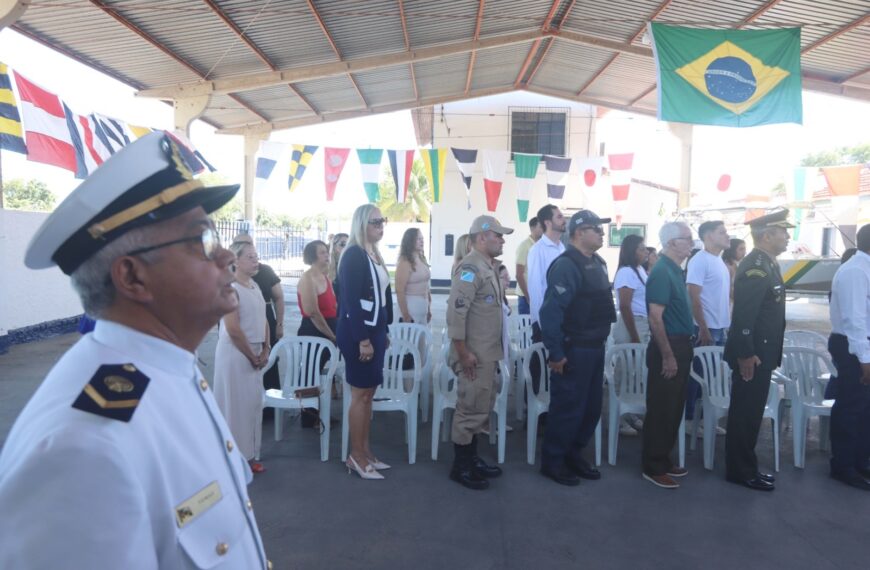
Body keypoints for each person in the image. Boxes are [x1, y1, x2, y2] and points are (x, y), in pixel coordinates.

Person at [0, 132, 268, 567]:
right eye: (202, 240)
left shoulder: (170, 371)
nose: (225, 257)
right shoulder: (86, 448)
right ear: (132, 277)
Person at [539, 210, 616, 486]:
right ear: (579, 233)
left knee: (591, 408)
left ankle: (573, 454)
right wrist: (556, 353)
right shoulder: (566, 265)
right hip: (574, 350)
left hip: (595, 347)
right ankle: (553, 461)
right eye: (596, 229)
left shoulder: (599, 262)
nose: (602, 233)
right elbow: (550, 313)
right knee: (568, 407)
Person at [724, 209, 793, 491]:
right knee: (745, 414)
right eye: (783, 232)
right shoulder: (756, 266)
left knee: (751, 414)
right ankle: (740, 471)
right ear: (767, 236)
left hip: (761, 353)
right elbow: (744, 316)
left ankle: (747, 466)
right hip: (752, 355)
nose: (787, 237)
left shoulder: (768, 264)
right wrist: (745, 354)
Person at [446, 215, 513, 490]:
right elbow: (456, 314)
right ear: (482, 237)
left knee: (480, 408)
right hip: (473, 355)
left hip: (487, 353)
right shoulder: (470, 267)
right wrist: (463, 353)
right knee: (469, 409)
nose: (502, 240)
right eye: (498, 235)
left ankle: (472, 459)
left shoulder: (487, 266)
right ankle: (461, 467)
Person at [336, 205, 393, 480]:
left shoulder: (374, 254)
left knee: (369, 394)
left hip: (375, 332)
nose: (381, 225)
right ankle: (355, 456)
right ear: (361, 224)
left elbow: (382, 297)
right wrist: (363, 339)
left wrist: (385, 330)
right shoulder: (353, 255)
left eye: (383, 221)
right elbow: (350, 302)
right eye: (375, 221)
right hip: (358, 334)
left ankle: (365, 451)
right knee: (360, 395)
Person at [642, 221, 695, 489]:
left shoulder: (674, 270)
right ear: (672, 242)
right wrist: (668, 355)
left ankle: (662, 458)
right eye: (687, 238)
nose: (692, 243)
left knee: (673, 408)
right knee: (662, 409)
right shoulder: (662, 271)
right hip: (670, 346)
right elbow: (655, 318)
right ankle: (652, 466)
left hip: (681, 345)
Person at [214, 240, 270, 474]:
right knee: (235, 408)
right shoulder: (230, 288)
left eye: (256, 256)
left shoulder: (254, 285)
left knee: (252, 407)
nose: (256, 260)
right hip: (236, 353)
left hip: (254, 351)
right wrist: (251, 355)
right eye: (250, 257)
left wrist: (266, 348)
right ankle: (233, 459)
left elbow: (264, 319)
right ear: (235, 261)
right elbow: (233, 329)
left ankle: (250, 455)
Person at [828, 224, 870, 490]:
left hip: (861, 345)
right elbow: (854, 319)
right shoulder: (856, 270)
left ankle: (860, 460)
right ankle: (843, 466)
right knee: (851, 406)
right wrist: (865, 359)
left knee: (865, 409)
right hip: (853, 347)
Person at [685, 220, 732, 432]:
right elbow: (693, 296)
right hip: (705, 328)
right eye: (722, 232)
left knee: (712, 377)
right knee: (697, 376)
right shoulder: (700, 260)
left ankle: (704, 420)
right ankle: (689, 420)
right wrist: (703, 327)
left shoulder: (719, 261)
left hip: (719, 328)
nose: (727, 235)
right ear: (708, 236)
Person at [233, 233, 285, 391]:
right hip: (238, 334)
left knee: (269, 366)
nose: (253, 257)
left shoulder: (261, 276)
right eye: (242, 245)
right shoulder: (227, 279)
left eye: (250, 245)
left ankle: (271, 398)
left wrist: (278, 325)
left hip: (265, 320)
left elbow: (278, 297)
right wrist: (251, 355)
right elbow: (232, 327)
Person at [612, 234, 650, 436]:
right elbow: (625, 305)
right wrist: (634, 335)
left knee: (635, 372)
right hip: (632, 324)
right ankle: (617, 418)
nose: (646, 252)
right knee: (624, 371)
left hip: (641, 324)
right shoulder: (626, 272)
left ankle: (629, 413)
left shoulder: (639, 270)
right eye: (642, 248)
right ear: (631, 251)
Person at [527, 204, 566, 339]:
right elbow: (535, 290)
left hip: (562, 319)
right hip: (545, 322)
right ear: (548, 222)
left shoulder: (562, 248)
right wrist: (543, 324)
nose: (564, 220)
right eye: (559, 217)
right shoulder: (537, 250)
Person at [297, 240, 337, 342]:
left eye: (327, 252)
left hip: (330, 327)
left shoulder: (325, 276)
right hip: (314, 332)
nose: (327, 255)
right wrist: (332, 336)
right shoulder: (308, 278)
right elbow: (312, 312)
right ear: (312, 256)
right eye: (322, 253)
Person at [395, 227, 431, 325]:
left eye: (422, 238)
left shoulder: (422, 258)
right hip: (410, 310)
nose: (422, 241)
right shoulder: (405, 261)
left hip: (423, 310)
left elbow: (427, 287)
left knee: (423, 336)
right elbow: (399, 290)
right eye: (418, 239)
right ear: (410, 241)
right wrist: (406, 315)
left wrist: (428, 309)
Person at [515, 216, 543, 315]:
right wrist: (528, 297)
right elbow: (519, 274)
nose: (544, 229)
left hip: (539, 295)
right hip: (526, 296)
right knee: (526, 324)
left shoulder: (542, 245)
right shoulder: (524, 246)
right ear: (532, 228)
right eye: (541, 226)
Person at [722, 238, 746, 302]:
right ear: (732, 250)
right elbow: (728, 289)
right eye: (741, 249)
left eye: (744, 249)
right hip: (730, 302)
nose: (744, 252)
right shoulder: (727, 266)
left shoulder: (738, 263)